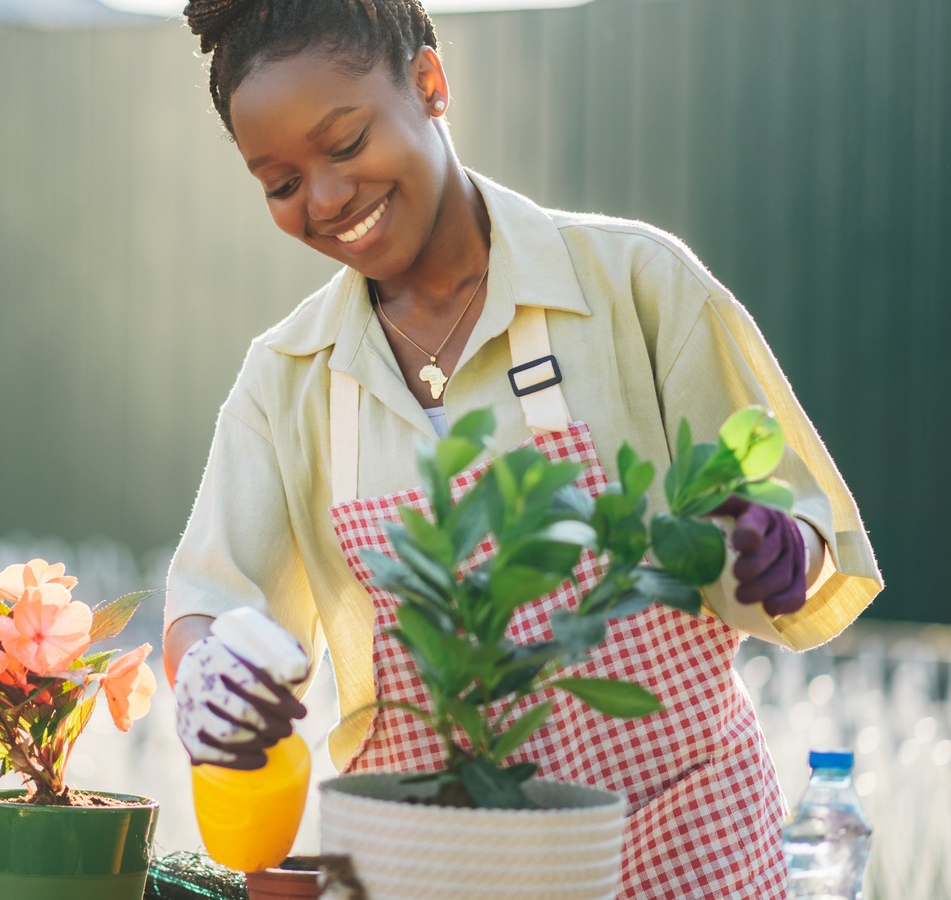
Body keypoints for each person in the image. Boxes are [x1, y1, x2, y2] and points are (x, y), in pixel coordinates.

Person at [161, 0, 883, 896]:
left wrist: (777, 550)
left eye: (345, 144)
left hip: (685, 848)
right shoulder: (289, 378)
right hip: (430, 867)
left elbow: (794, 525)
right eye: (279, 184)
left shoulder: (635, 285)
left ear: (430, 83)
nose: (326, 198)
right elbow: (211, 603)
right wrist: (208, 673)